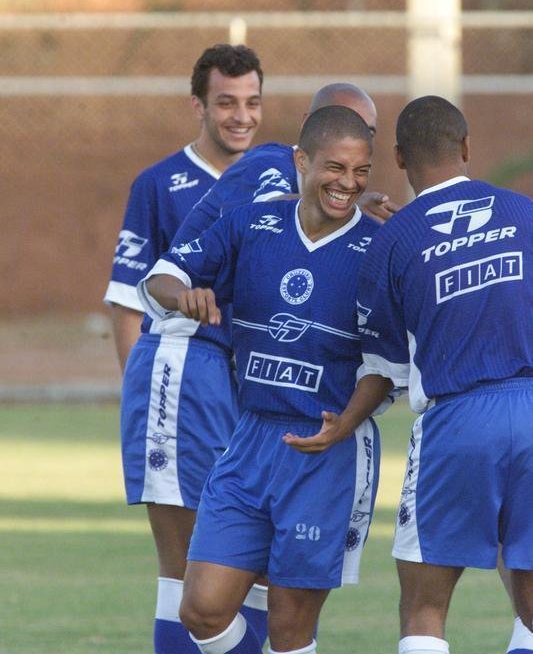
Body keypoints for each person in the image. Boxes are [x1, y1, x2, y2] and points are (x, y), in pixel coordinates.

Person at [284, 96, 533, 654]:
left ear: (397, 158)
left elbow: (383, 368)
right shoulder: (524, 212)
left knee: (424, 604)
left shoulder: (393, 241)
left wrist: (341, 425)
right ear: (466, 147)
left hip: (457, 420)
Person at [139, 106, 384, 654]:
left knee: (290, 625)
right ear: (301, 161)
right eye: (335, 168)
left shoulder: (377, 249)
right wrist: (187, 297)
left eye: (361, 171)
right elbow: (162, 277)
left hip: (324, 449)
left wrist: (345, 424)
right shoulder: (253, 222)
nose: (348, 183)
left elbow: (389, 366)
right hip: (250, 439)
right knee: (200, 607)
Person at [104, 43, 266, 654]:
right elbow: (126, 299)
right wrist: (143, 400)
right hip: (183, 382)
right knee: (189, 567)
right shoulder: (159, 184)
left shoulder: (278, 185)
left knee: (246, 564)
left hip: (249, 396)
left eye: (252, 102)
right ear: (198, 105)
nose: (241, 116)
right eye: (226, 102)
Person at [173, 82, 398, 244]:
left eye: (366, 132)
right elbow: (271, 207)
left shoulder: (331, 194)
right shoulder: (266, 163)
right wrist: (352, 208)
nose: (354, 139)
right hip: (183, 303)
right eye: (342, 126)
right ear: (308, 124)